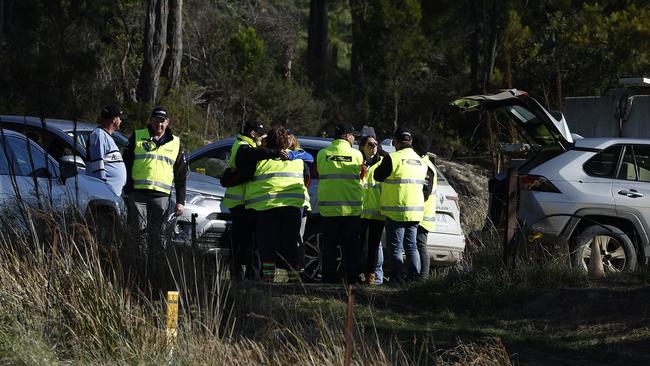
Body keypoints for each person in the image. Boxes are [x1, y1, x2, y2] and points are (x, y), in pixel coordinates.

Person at [123, 106, 187, 290]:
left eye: (163, 120)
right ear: (151, 120)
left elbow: (181, 174)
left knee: (158, 236)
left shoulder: (175, 142)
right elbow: (126, 163)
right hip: (138, 195)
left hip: (161, 196)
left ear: (167, 123)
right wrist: (127, 188)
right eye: (157, 119)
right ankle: (138, 272)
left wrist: (180, 200)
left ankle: (155, 273)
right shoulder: (138, 135)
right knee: (139, 234)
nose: (159, 123)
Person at [223, 120, 287, 281]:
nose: (261, 139)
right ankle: (238, 276)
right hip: (239, 203)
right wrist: (274, 152)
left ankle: (249, 275)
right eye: (260, 135)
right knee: (240, 243)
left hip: (244, 202)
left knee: (248, 243)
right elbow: (252, 155)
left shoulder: (246, 145)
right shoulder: (243, 146)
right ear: (253, 134)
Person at [244, 126, 310, 282]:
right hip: (292, 207)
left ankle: (268, 281)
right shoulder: (298, 160)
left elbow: (243, 174)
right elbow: (307, 177)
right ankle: (295, 282)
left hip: (266, 208)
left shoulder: (259, 161)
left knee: (267, 246)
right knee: (291, 246)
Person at [374, 127, 429, 284]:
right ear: (410, 141)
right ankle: (414, 280)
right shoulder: (421, 160)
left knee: (396, 248)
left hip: (396, 211)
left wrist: (383, 157)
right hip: (416, 212)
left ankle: (396, 280)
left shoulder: (393, 158)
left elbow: (378, 176)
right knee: (412, 247)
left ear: (396, 142)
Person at [316, 123, 364, 283]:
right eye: (353, 135)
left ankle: (328, 278)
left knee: (329, 247)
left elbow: (318, 171)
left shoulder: (322, 154)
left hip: (329, 210)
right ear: (347, 136)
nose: (354, 138)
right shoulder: (357, 155)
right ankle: (351, 278)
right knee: (351, 248)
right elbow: (362, 175)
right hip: (351, 210)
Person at [358, 134, 386, 285]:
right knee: (359, 245)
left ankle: (371, 275)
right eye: (370, 144)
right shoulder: (357, 162)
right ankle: (356, 273)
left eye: (376, 144)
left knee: (374, 247)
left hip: (377, 212)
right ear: (362, 147)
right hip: (360, 212)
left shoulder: (382, 163)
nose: (374, 146)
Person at [86, 105, 127, 196]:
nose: (121, 121)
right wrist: (102, 188)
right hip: (104, 193)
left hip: (112, 193)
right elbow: (97, 164)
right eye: (119, 118)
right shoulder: (98, 135)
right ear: (114, 120)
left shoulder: (106, 136)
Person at [412, 134, 437, 279]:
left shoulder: (425, 166)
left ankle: (423, 277)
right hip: (420, 213)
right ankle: (421, 276)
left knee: (420, 245)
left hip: (421, 214)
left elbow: (425, 192)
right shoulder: (426, 163)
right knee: (418, 245)